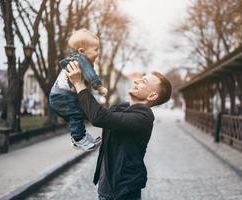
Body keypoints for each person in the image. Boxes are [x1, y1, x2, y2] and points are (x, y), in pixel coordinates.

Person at [66, 61, 172, 200]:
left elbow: (98, 117)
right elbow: (92, 112)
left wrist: (80, 84)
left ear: (152, 96)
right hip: (107, 190)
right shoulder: (121, 108)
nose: (136, 81)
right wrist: (77, 85)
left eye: (143, 81)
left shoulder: (143, 117)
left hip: (122, 193)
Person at [49, 29, 108, 151]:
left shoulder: (76, 60)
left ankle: (82, 136)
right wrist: (99, 86)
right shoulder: (81, 60)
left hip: (61, 96)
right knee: (75, 115)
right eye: (95, 49)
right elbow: (91, 75)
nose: (98, 53)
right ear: (82, 51)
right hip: (61, 96)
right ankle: (78, 139)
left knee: (79, 114)